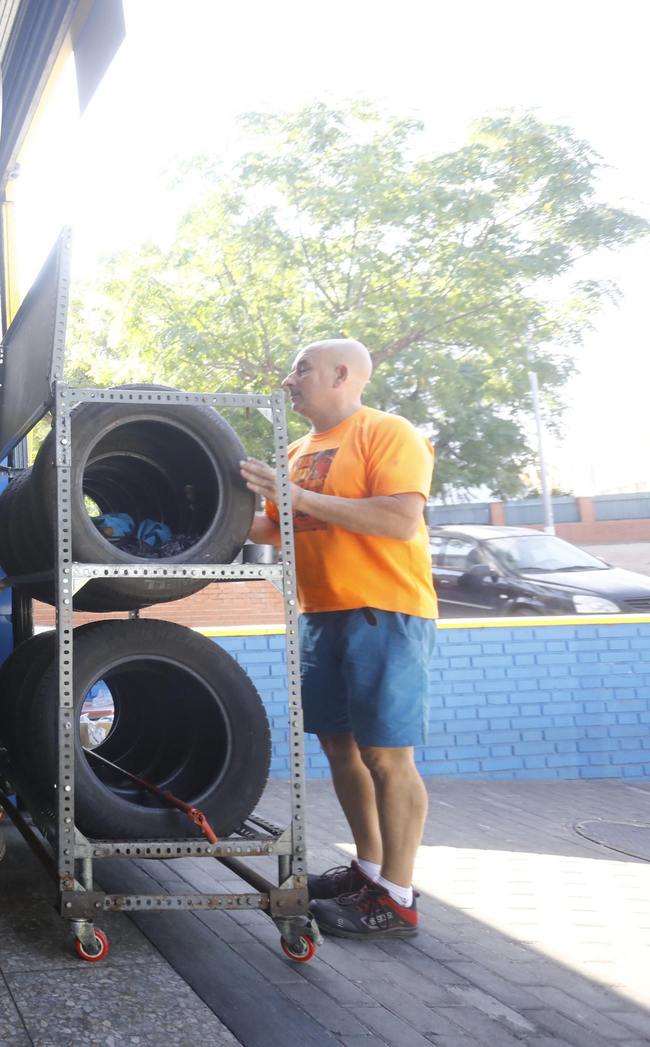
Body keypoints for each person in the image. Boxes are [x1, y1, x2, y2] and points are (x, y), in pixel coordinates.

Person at [239, 338, 436, 940]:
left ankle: (397, 898)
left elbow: (401, 520)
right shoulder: (297, 451)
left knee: (385, 756)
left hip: (384, 611)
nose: (289, 381)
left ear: (341, 374)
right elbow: (277, 529)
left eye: (301, 369)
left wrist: (293, 495)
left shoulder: (387, 432)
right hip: (321, 614)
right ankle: (370, 871)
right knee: (341, 751)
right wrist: (201, 510)